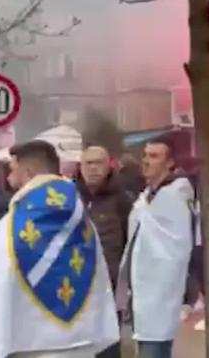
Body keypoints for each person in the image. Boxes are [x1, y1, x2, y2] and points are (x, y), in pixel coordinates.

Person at [0, 140, 119, 358]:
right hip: (81, 341)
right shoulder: (82, 221)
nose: (7, 176)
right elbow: (99, 278)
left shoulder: (11, 227)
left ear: (28, 171)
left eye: (12, 169)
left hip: (29, 346)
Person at [116, 138, 193, 358]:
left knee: (153, 349)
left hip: (158, 293)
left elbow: (176, 249)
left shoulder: (174, 197)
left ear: (170, 163)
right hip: (141, 292)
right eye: (145, 156)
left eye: (154, 156)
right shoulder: (146, 196)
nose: (146, 161)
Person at [76, 145, 133, 358]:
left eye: (97, 162)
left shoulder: (122, 200)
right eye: (87, 163)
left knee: (108, 345)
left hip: (110, 284)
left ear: (108, 166)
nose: (92, 168)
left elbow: (131, 241)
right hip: (76, 284)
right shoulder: (70, 198)